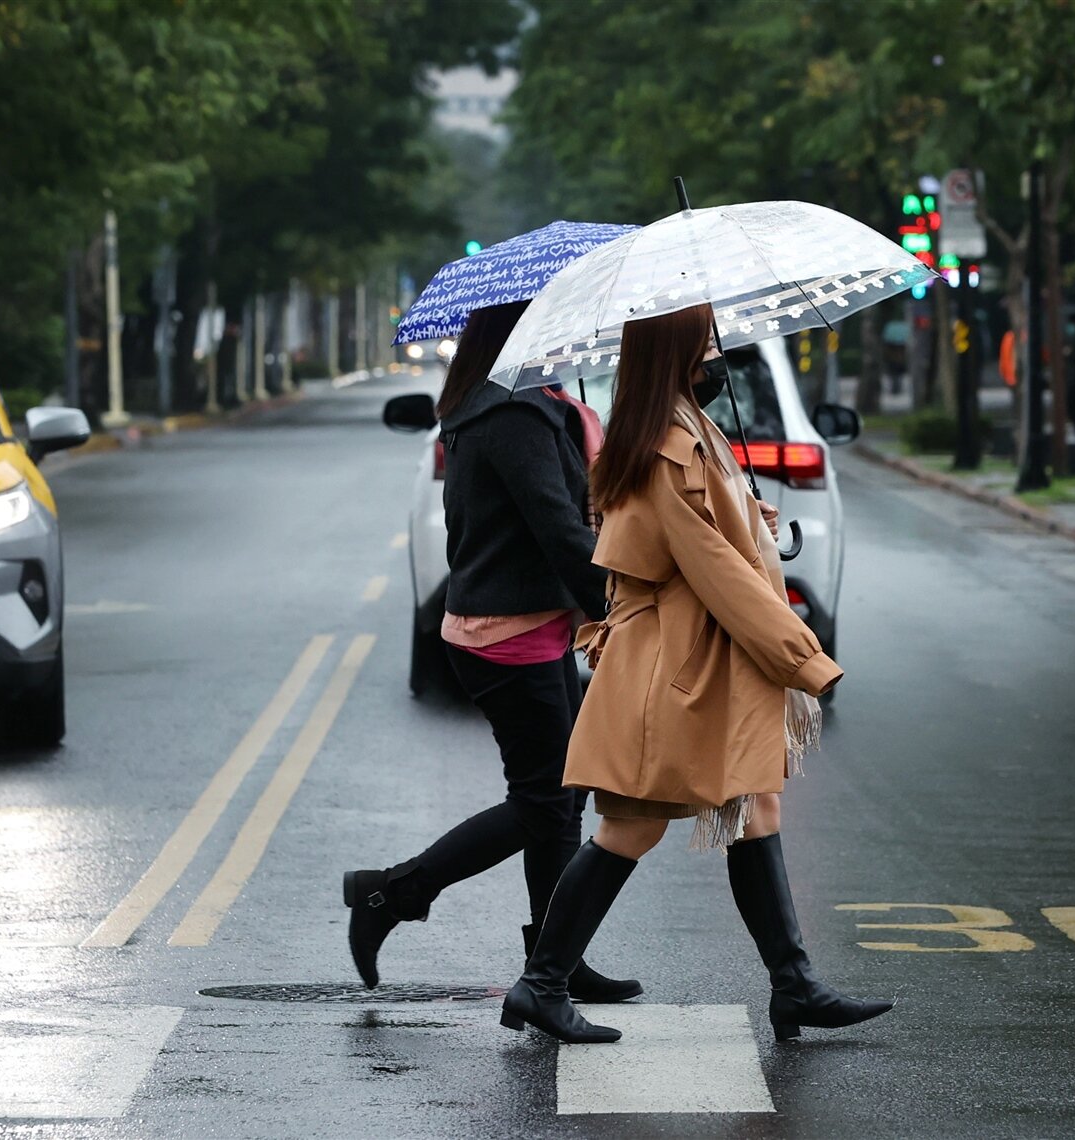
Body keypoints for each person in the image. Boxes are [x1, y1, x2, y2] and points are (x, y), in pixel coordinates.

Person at [498, 303, 893, 1045]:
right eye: (706, 342)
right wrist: (803, 657)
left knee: (755, 809)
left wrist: (750, 517)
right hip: (672, 666)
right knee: (630, 828)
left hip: (702, 657)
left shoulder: (681, 428)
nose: (719, 355)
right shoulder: (666, 443)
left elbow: (712, 536)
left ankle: (794, 985)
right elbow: (712, 570)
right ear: (673, 352)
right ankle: (540, 984)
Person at [342, 300, 639, 1005]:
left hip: (526, 622)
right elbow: (558, 529)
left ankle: (555, 959)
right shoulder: (510, 413)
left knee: (559, 800)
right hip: (505, 633)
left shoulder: (524, 403)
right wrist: (615, 607)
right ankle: (392, 893)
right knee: (547, 799)